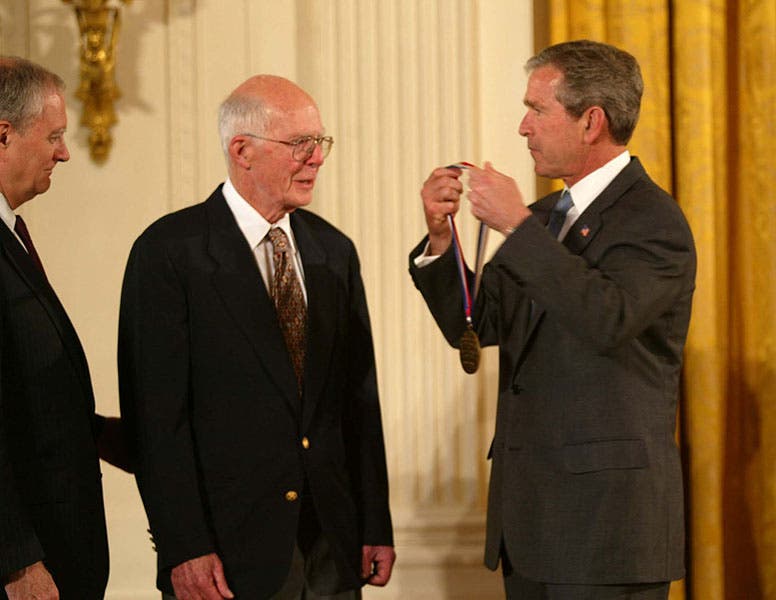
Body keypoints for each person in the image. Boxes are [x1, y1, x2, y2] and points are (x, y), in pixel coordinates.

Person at [410, 40, 695, 599]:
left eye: (537, 110)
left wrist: (518, 228)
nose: (522, 127)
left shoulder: (654, 220)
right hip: (531, 520)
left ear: (591, 121)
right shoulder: (545, 218)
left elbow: (607, 318)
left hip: (606, 529)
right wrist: (442, 242)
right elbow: (477, 323)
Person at [119, 74, 395, 599]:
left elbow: (358, 401)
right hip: (227, 553)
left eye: (321, 143)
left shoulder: (334, 251)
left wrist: (374, 522)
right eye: (300, 145)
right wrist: (184, 546)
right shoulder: (170, 252)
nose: (317, 158)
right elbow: (157, 422)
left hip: (331, 548)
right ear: (242, 150)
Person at [0, 56, 129, 599]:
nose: (63, 152)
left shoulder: (13, 234)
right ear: (3, 133)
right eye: (53, 135)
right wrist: (16, 561)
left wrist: (101, 435)